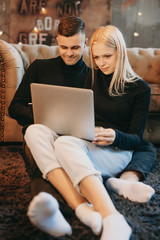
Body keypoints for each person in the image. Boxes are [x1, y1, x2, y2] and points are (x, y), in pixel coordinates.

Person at [8, 16, 156, 239]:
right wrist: (55, 121)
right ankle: (83, 206)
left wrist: (114, 136)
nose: (101, 62)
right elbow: (16, 107)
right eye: (97, 58)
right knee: (37, 132)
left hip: (112, 148)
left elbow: (137, 139)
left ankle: (107, 214)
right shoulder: (92, 77)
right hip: (82, 141)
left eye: (107, 56)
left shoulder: (135, 88)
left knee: (66, 144)